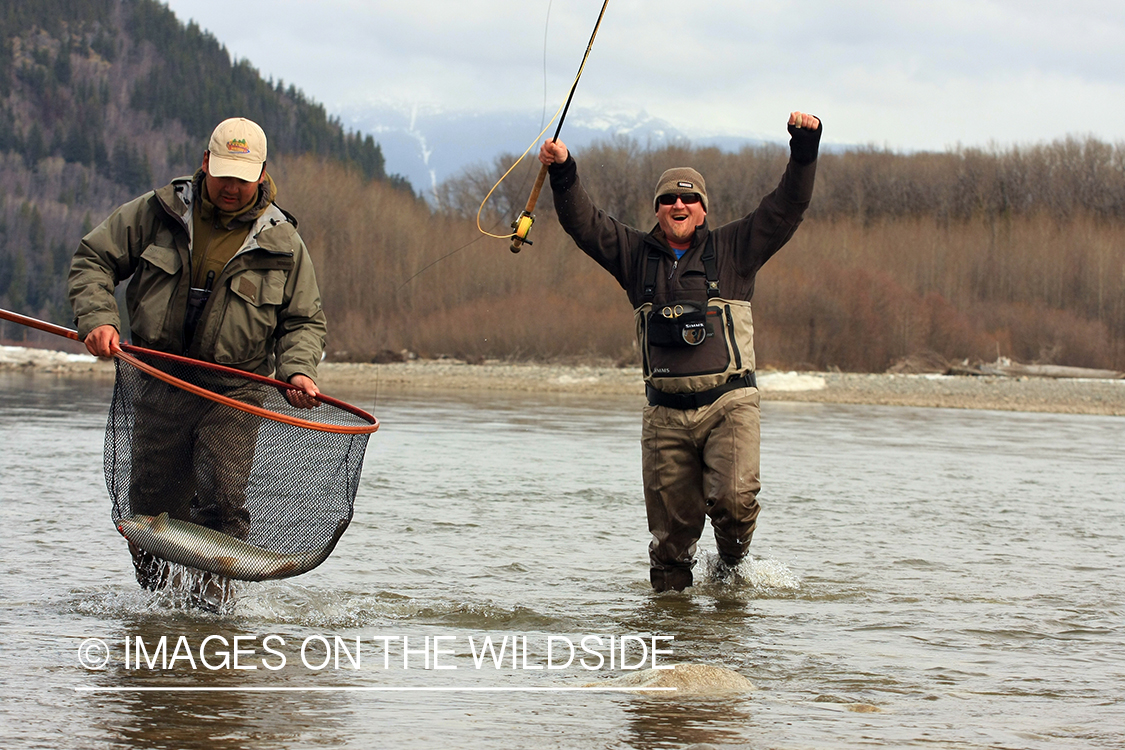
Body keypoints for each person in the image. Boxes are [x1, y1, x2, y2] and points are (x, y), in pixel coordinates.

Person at [539, 111, 822, 592]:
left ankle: (732, 565)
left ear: (703, 209)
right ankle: (671, 637)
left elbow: (787, 207)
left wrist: (805, 147)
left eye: (689, 198)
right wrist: (564, 171)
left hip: (729, 405)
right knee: (670, 547)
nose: (679, 204)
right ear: (657, 209)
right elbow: (582, 223)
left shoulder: (736, 249)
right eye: (669, 198)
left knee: (734, 504)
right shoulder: (635, 256)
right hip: (664, 416)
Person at [68, 117, 327, 605]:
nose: (231, 187)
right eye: (223, 173)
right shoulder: (155, 212)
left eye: (242, 177)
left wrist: (297, 370)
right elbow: (93, 260)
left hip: (235, 388)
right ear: (205, 163)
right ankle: (158, 618)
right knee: (149, 510)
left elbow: (304, 321)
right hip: (159, 380)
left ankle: (212, 617)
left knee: (223, 502)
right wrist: (99, 319)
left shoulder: (283, 242)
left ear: (262, 174)